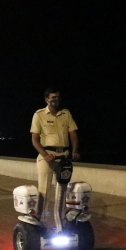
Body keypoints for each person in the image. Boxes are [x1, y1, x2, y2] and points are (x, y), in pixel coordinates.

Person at [30, 87, 80, 217]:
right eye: (53, 98)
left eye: (58, 97)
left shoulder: (66, 114)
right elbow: (35, 139)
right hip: (47, 157)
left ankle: (60, 221)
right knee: (44, 191)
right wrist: (45, 156)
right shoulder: (39, 115)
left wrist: (74, 151)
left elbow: (73, 134)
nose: (56, 100)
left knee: (62, 192)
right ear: (47, 100)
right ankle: (41, 221)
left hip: (63, 158)